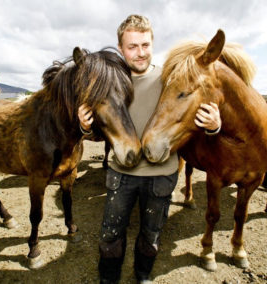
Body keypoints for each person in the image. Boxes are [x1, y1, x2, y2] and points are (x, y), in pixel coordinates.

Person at [78, 15, 221, 284]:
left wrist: (213, 126)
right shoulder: (109, 80)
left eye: (145, 45)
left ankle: (143, 276)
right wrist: (86, 127)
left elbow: (191, 122)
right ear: (120, 49)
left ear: (153, 44)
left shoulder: (171, 77)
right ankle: (109, 279)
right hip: (121, 174)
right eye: (132, 46)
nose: (140, 53)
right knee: (110, 234)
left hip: (162, 175)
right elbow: (102, 130)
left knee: (151, 235)